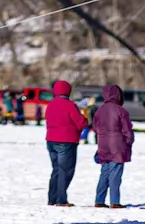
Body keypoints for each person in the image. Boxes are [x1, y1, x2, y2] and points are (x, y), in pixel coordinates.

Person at [43, 79, 88, 207]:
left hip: (51, 140)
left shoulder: (50, 104)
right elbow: (81, 123)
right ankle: (61, 200)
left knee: (56, 170)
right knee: (65, 171)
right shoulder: (70, 105)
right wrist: (85, 117)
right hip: (66, 141)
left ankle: (52, 198)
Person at [91, 84, 133, 209]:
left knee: (104, 173)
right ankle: (114, 201)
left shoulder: (99, 110)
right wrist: (129, 142)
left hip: (103, 145)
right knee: (115, 174)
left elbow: (95, 127)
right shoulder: (121, 111)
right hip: (118, 146)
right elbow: (127, 131)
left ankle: (99, 200)